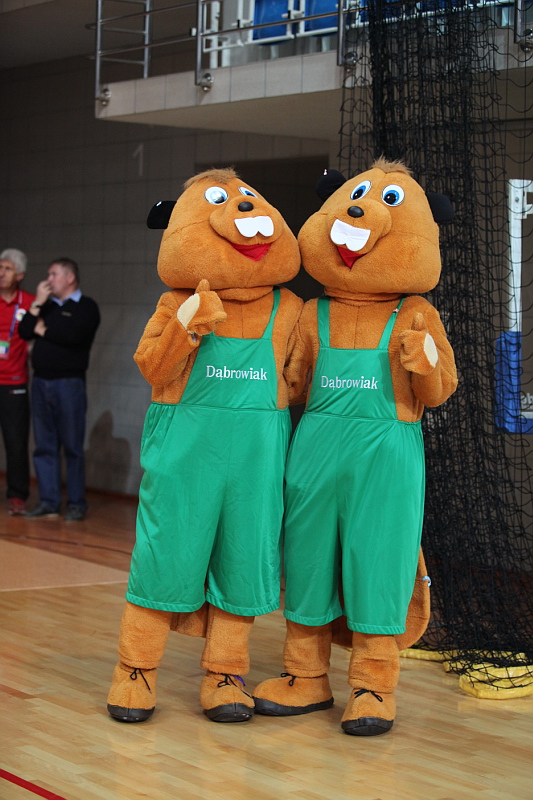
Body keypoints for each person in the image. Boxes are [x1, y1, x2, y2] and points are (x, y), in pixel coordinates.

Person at [19, 258, 100, 521]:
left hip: (69, 384)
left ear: (70, 277)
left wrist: (43, 329)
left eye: (53, 274)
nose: (48, 280)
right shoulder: (46, 306)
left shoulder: (86, 307)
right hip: (40, 383)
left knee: (72, 446)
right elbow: (25, 330)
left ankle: (76, 503)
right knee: (44, 446)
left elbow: (72, 337)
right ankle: (49, 501)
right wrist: (37, 305)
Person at [0, 249, 35, 515]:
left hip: (15, 381)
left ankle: (17, 496)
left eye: (7, 269)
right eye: (0, 268)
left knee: (15, 441)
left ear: (20, 275)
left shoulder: (30, 303)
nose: (1, 273)